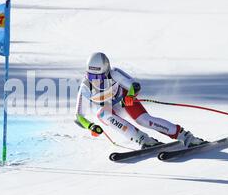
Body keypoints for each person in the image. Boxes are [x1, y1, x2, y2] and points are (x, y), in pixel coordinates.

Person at [75, 52, 205, 149]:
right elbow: (79, 116)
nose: (96, 79)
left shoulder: (114, 73)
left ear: (106, 70)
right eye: (92, 76)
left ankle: (186, 137)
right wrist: (90, 126)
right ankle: (143, 139)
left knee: (144, 120)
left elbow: (134, 85)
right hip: (109, 108)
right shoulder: (85, 87)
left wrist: (130, 96)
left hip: (124, 100)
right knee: (102, 114)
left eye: (100, 76)